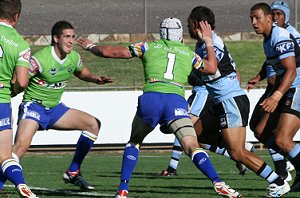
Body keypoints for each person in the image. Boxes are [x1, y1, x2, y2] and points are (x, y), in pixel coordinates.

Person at [78, 17, 242, 198]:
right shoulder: (188, 54)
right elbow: (211, 68)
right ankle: (217, 182)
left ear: (161, 33)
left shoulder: (148, 46)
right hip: (176, 101)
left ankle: (123, 190)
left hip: (151, 99)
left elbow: (113, 52)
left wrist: (90, 46)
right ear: (180, 35)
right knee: (191, 145)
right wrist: (209, 42)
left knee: (135, 141)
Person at [186, 6, 290, 197]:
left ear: (198, 24)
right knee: (194, 134)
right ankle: (238, 145)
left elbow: (211, 68)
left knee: (237, 153)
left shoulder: (212, 43)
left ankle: (278, 181)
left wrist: (206, 46)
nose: (187, 28)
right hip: (221, 101)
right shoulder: (203, 44)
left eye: (189, 24)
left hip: (230, 101)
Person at [0, 20, 113, 191]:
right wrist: (9, 96)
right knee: (19, 149)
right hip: (34, 107)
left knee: (93, 124)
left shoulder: (73, 57)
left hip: (55, 109)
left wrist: (95, 79)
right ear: (55, 39)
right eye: (67, 37)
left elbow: (82, 72)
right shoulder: (39, 60)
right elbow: (18, 80)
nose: (71, 41)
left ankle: (73, 172)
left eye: (73, 37)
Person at [249, 2, 300, 194]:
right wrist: (260, 77)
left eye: (258, 18)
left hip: (296, 86)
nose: (254, 22)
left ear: (269, 19)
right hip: (287, 86)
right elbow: (275, 64)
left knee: (282, 139)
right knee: (261, 131)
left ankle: (287, 169)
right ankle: (291, 166)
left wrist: (276, 96)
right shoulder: (268, 38)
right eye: (251, 19)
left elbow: (291, 70)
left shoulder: (280, 37)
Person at [0, 0, 38, 197]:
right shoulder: (21, 44)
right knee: (5, 156)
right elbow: (22, 82)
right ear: (16, 17)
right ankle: (21, 184)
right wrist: (10, 90)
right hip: (2, 101)